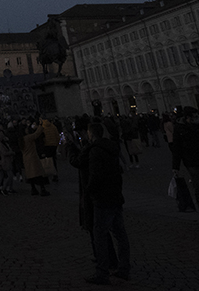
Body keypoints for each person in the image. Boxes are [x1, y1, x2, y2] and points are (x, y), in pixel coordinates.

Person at [83, 122, 131, 285]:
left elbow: (95, 176)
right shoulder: (112, 147)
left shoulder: (95, 151)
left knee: (100, 236)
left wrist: (89, 191)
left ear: (91, 134)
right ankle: (124, 269)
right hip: (116, 195)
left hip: (102, 199)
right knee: (121, 234)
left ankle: (102, 273)